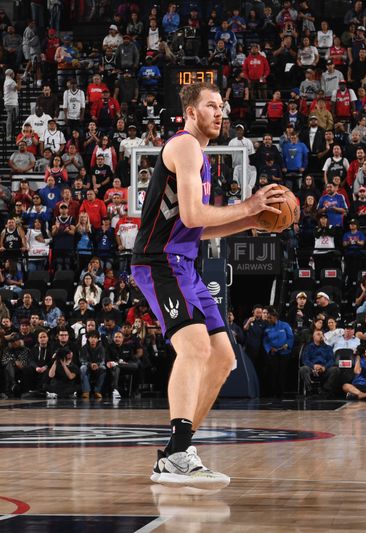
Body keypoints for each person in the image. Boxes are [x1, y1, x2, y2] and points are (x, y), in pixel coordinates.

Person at [130, 82, 292, 490]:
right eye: (211, 106)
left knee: (222, 359)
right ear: (190, 110)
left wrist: (252, 220)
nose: (220, 113)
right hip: (159, 262)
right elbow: (191, 212)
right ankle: (181, 452)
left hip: (185, 263)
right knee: (195, 347)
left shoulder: (199, 156)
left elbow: (195, 227)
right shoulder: (184, 146)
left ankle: (174, 454)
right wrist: (248, 206)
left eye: (222, 106)